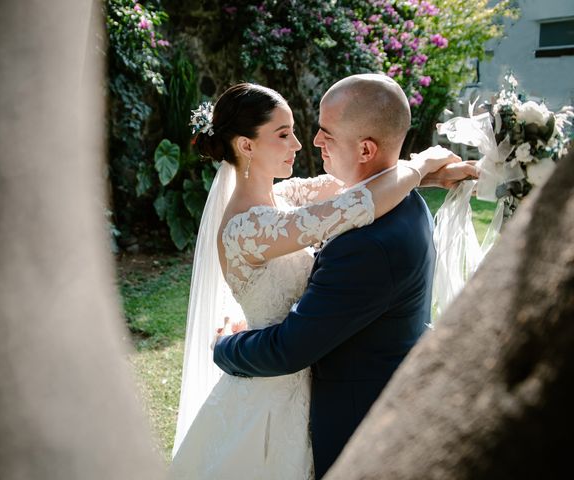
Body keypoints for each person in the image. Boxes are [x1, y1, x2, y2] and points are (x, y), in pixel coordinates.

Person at [171, 80, 475, 479]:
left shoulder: (287, 197)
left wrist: (427, 175)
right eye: (284, 135)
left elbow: (364, 185)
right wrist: (418, 166)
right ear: (247, 146)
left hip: (307, 381)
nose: (302, 144)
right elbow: (358, 202)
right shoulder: (249, 228)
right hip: (273, 387)